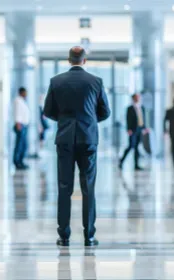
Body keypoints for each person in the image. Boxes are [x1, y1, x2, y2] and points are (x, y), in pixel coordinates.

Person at [43, 46, 111, 247]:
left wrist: (64, 120)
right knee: (88, 188)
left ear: (68, 60)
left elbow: (48, 111)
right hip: (88, 139)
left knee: (64, 187)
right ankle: (89, 235)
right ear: (84, 61)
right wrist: (89, 121)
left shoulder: (56, 81)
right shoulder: (96, 82)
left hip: (64, 139)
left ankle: (64, 236)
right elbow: (105, 111)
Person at [119, 93, 148, 170]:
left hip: (140, 129)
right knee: (131, 146)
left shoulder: (142, 107)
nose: (138, 98)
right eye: (136, 97)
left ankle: (136, 165)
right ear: (133, 99)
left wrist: (144, 128)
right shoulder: (130, 108)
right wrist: (128, 129)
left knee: (137, 147)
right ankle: (121, 161)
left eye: (138, 97)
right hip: (132, 130)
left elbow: (143, 119)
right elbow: (128, 119)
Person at [13, 87, 31, 170]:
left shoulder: (22, 101)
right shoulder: (18, 101)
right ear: (21, 92)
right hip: (20, 125)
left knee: (23, 145)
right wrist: (18, 123)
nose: (26, 94)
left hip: (24, 125)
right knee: (20, 145)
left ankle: (21, 161)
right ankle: (17, 162)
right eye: (25, 92)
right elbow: (17, 112)